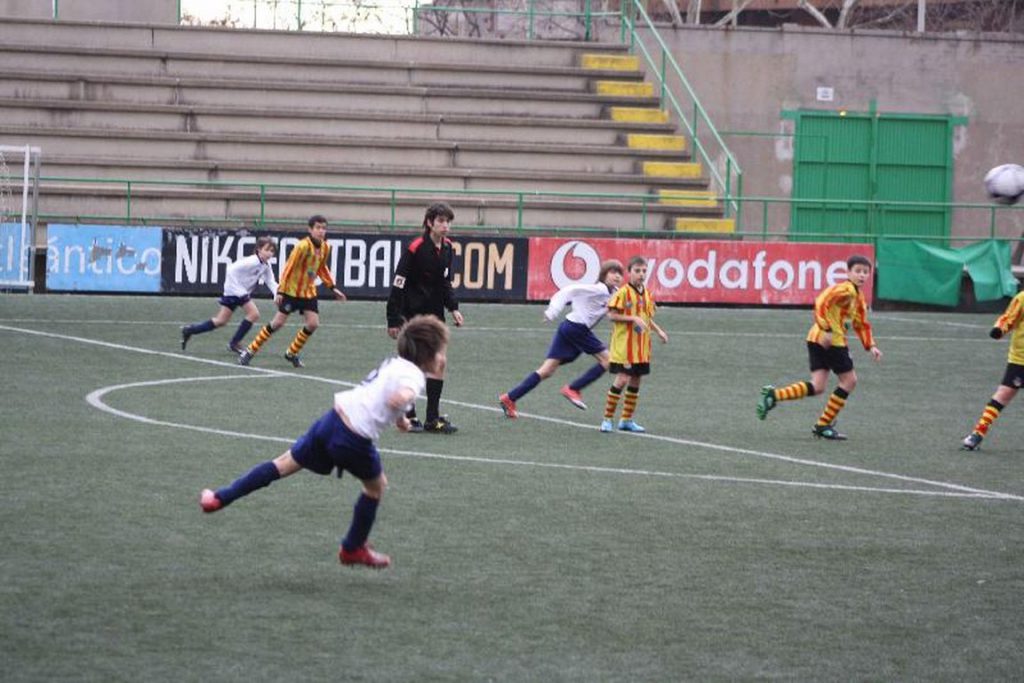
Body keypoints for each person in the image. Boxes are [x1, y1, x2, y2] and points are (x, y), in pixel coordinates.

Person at [200, 315, 450, 569]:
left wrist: (401, 421)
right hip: (353, 439)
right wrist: (401, 399)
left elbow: (384, 396)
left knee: (282, 464)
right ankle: (352, 548)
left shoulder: (394, 364)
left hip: (332, 421)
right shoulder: (415, 378)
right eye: (441, 352)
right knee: (376, 487)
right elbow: (402, 394)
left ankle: (219, 498)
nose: (443, 358)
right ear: (428, 354)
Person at [756, 254, 883, 440]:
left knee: (818, 386)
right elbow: (821, 301)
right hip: (831, 342)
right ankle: (823, 425)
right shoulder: (846, 290)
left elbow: (861, 323)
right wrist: (827, 329)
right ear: (848, 272)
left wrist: (871, 345)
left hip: (815, 339)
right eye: (857, 271)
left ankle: (773, 395)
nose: (862, 275)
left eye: (865, 272)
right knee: (849, 381)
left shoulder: (858, 297)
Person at [499, 259, 624, 419]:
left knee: (546, 370)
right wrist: (552, 311)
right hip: (577, 328)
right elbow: (568, 291)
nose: (617, 276)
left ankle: (510, 398)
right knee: (608, 360)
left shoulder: (614, 293)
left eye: (620, 273)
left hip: (569, 328)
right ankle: (573, 389)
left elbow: (614, 310)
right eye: (613, 272)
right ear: (604, 274)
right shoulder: (598, 289)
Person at [385, 202, 464, 434]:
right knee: (414, 366)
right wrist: (393, 318)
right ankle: (408, 415)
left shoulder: (448, 248)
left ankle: (432, 418)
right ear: (430, 223)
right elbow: (398, 282)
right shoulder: (416, 248)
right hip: (412, 315)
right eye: (440, 221)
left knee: (439, 362)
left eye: (448, 221)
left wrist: (453, 308)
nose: (445, 226)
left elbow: (445, 281)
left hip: (435, 315)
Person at [238, 215, 346, 368]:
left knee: (313, 324)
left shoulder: (326, 247)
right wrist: (280, 290)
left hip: (308, 292)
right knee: (277, 323)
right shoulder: (302, 246)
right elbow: (289, 266)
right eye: (318, 228)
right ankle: (249, 351)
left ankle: (291, 353)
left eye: (324, 228)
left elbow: (322, 268)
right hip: (291, 292)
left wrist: (332, 287)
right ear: (310, 230)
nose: (321, 231)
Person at [599, 256, 669, 433]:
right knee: (622, 378)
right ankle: (607, 419)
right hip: (624, 346)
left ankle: (626, 420)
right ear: (629, 273)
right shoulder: (622, 293)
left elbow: (646, 318)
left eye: (644, 271)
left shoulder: (646, 293)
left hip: (642, 347)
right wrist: (632, 318)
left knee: (636, 380)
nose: (641, 274)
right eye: (637, 271)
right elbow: (611, 315)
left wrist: (658, 330)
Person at [180, 236, 279, 354]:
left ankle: (190, 330)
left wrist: (277, 294)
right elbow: (230, 269)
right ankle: (234, 343)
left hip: (238, 293)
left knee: (220, 321)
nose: (269, 253)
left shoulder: (265, 265)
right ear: (258, 249)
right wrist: (239, 291)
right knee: (254, 314)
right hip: (234, 292)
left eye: (272, 251)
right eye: (267, 249)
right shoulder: (251, 261)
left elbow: (271, 281)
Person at [960, 291, 1024, 450]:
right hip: (1021, 358)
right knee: (1004, 393)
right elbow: (1009, 317)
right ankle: (978, 433)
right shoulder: (1022, 298)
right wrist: (999, 330)